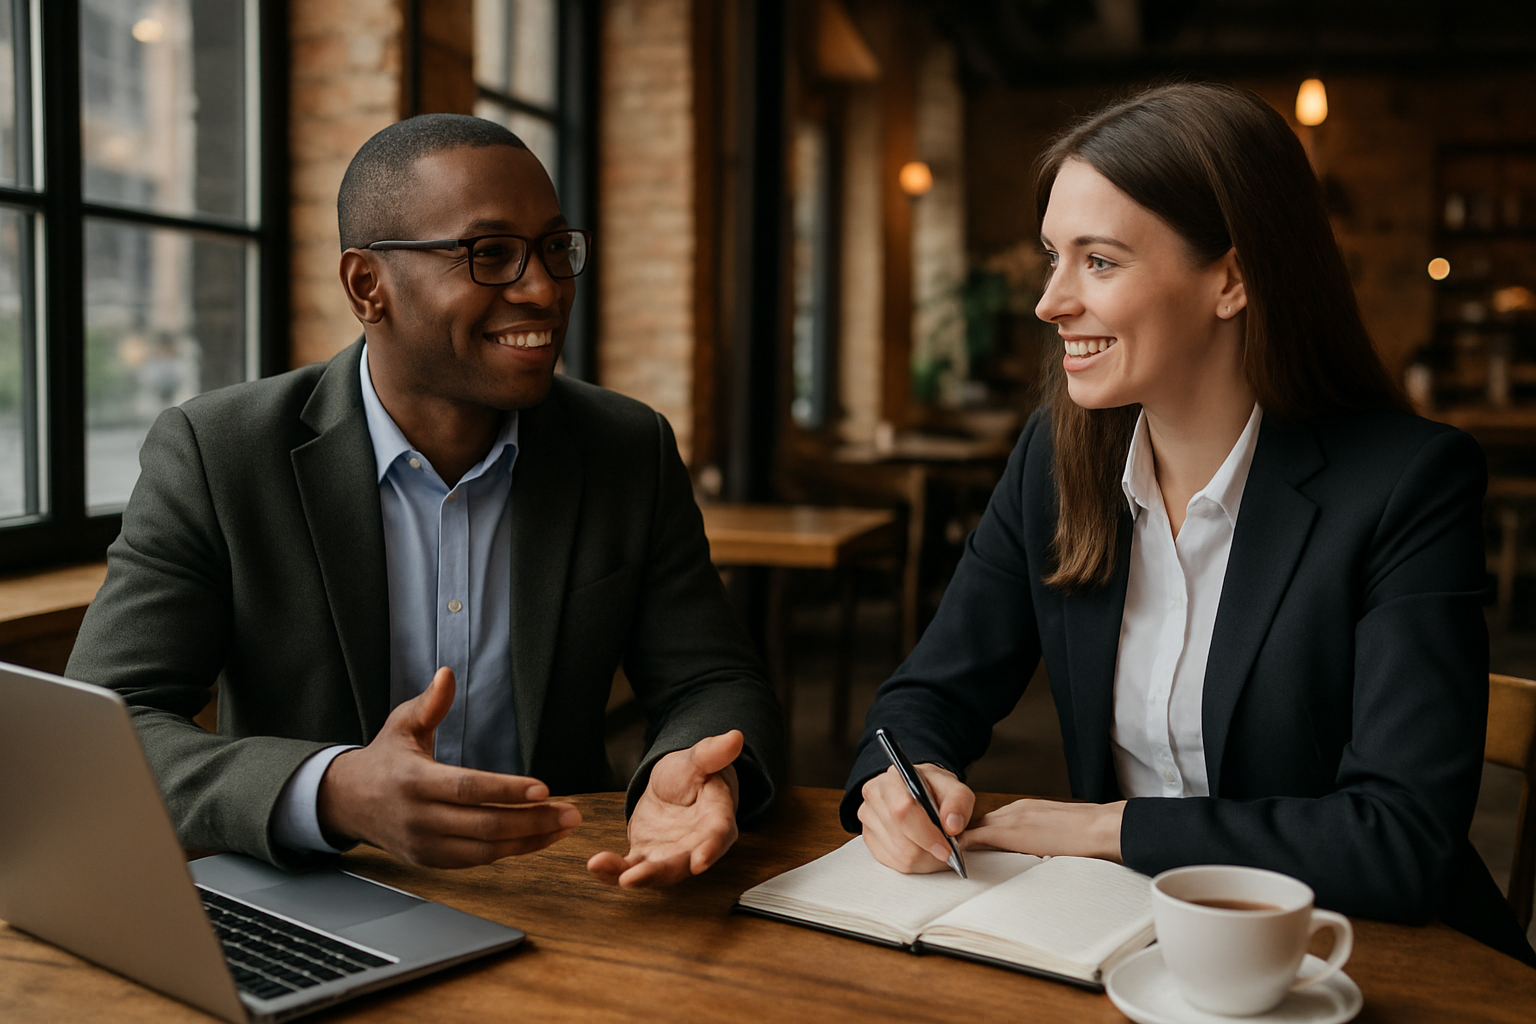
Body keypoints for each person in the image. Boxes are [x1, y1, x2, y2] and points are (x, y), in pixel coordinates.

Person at [843, 82, 1536, 966]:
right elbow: (922, 700)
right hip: (1137, 952)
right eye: (1053, 257)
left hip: (1371, 959)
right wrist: (902, 782)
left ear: (1233, 279)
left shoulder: (1407, 484)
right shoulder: (1056, 465)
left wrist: (1106, 829)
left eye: (1098, 261)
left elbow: (1394, 840)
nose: (1050, 301)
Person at [66, 114, 784, 889]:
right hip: (318, 893)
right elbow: (103, 729)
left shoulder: (625, 449)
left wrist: (701, 769)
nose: (542, 288)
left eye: (552, 249)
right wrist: (334, 791)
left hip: (574, 884)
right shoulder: (220, 453)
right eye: (490, 254)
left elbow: (713, 681)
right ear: (367, 286)